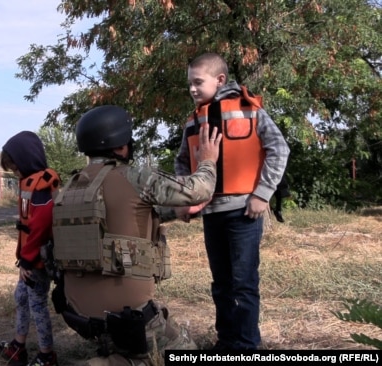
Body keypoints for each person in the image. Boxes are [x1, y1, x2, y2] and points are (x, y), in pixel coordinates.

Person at [50, 105, 221, 366]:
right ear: (120, 147)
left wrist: (173, 212)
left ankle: (119, 352)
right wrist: (208, 159)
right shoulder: (135, 177)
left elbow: (115, 221)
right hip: (129, 317)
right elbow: (200, 189)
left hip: (79, 315)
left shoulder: (71, 187)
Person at [174, 52, 290, 350]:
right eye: (189, 83)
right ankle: (226, 343)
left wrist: (262, 194)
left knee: (244, 285)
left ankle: (248, 346)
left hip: (244, 214)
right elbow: (182, 163)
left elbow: (279, 149)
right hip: (211, 215)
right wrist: (186, 199)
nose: (192, 89)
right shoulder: (192, 120)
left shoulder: (249, 109)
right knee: (221, 286)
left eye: (198, 82)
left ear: (220, 80)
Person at [0, 131, 61, 366]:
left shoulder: (41, 186)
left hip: (39, 261)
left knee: (37, 304)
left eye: (15, 169)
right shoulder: (31, 184)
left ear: (26, 160)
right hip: (30, 259)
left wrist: (27, 260)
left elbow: (41, 225)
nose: (15, 173)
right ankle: (18, 346)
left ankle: (47, 355)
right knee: (21, 297)